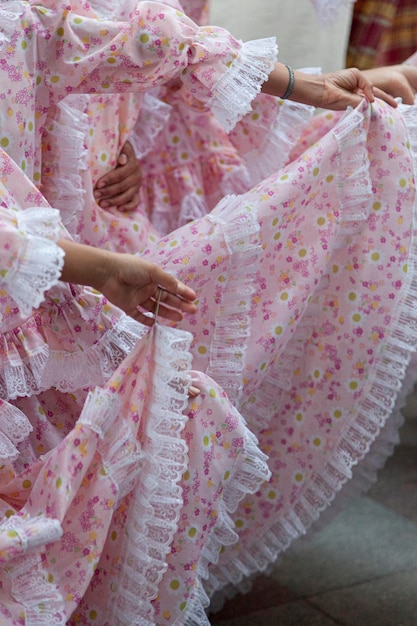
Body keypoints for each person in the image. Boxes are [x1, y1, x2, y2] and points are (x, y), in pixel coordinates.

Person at [2, 1, 417, 624]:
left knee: (131, 411)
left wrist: (297, 86)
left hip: (63, 240)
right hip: (48, 261)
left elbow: (126, 39)